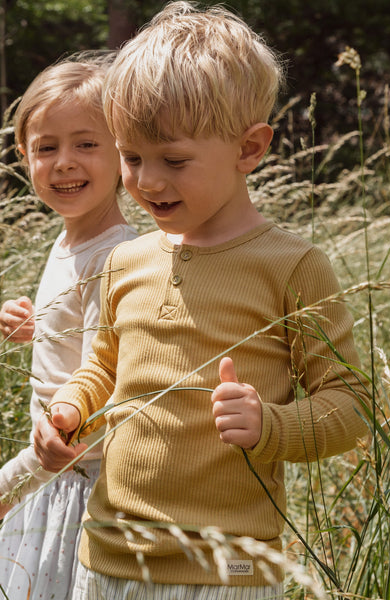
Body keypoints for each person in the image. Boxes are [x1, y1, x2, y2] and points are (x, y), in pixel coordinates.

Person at [34, 2, 371, 599]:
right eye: (131, 158)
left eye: (174, 160)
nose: (147, 181)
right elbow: (103, 368)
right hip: (110, 556)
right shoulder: (125, 260)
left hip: (230, 571)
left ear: (250, 148)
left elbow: (349, 406)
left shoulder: (292, 267)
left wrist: (271, 424)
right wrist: (68, 409)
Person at [0, 52, 137, 599]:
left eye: (86, 144)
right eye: (46, 148)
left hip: (80, 486)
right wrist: (37, 327)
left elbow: (102, 389)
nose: (63, 163)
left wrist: (12, 483)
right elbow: (85, 341)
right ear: (23, 156)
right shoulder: (67, 240)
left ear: (125, 151)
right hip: (51, 478)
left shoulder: (119, 256)